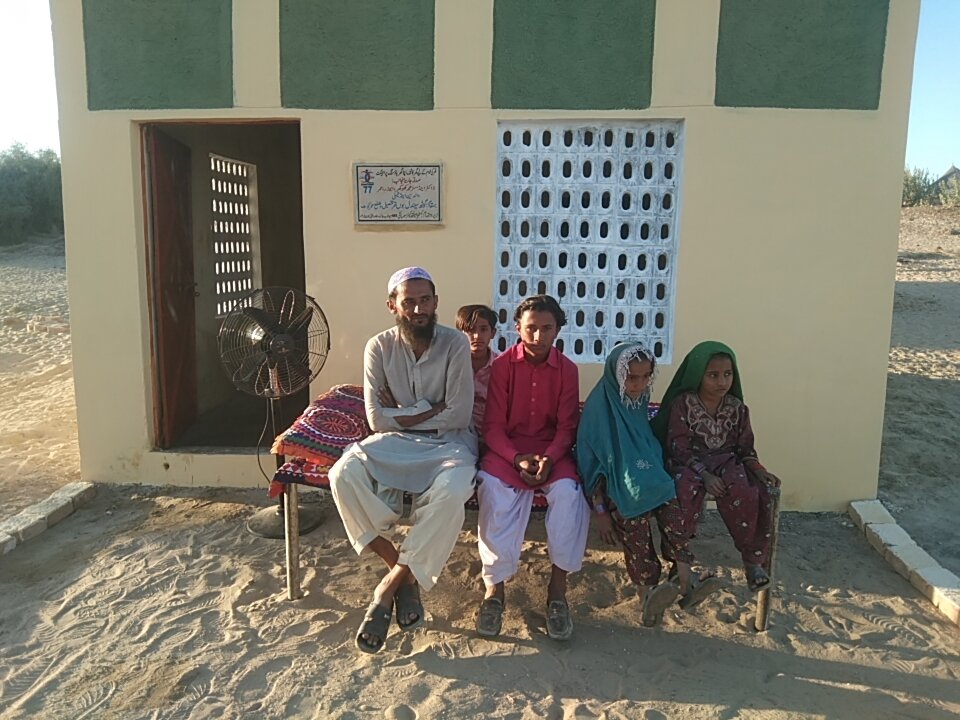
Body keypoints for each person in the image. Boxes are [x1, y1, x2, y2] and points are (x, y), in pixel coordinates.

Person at [328, 267, 477, 654]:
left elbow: (460, 414)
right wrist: (431, 408)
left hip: (448, 444)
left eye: (425, 300)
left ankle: (387, 588)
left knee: (453, 492)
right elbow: (376, 420)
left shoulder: (455, 344)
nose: (418, 309)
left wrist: (405, 412)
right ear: (392, 306)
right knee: (343, 473)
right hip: (394, 442)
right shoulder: (378, 347)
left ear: (436, 302)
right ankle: (404, 573)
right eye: (409, 302)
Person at [475, 294, 588, 641]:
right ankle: (494, 591)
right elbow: (493, 425)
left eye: (547, 328)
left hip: (553, 453)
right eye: (531, 328)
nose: (538, 337)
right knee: (492, 490)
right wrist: (516, 458)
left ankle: (557, 592)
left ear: (558, 330)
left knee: (569, 495)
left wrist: (550, 457)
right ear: (517, 328)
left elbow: (567, 427)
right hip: (508, 452)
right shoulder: (503, 366)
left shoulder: (568, 370)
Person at [575, 341, 693, 626]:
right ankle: (646, 592)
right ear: (616, 374)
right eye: (631, 377)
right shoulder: (599, 407)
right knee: (634, 512)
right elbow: (591, 462)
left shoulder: (637, 401)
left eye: (645, 376)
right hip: (615, 482)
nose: (639, 385)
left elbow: (644, 441)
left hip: (647, 474)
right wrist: (600, 512)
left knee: (670, 499)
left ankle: (686, 576)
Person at [650, 340, 781, 594]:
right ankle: (679, 562)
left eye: (728, 374)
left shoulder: (737, 409)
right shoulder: (683, 404)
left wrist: (759, 470)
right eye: (713, 375)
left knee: (749, 490)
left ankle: (753, 562)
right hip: (688, 464)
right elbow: (678, 447)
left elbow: (745, 449)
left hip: (726, 462)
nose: (722, 381)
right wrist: (705, 475)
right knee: (681, 490)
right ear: (698, 375)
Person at [454, 304, 500, 435]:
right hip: (457, 432)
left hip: (493, 433)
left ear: (493, 333)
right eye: (470, 330)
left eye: (483, 329)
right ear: (459, 334)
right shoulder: (452, 365)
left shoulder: (501, 367)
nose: (476, 336)